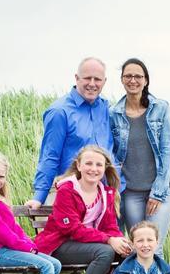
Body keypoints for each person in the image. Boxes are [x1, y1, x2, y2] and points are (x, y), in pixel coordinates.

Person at [34, 145, 132, 274]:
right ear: (79, 165)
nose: (93, 169)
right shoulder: (67, 190)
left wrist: (120, 240)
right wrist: (108, 240)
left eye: (98, 165)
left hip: (87, 246)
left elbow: (110, 226)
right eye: (88, 163)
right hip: (59, 245)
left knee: (124, 253)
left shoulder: (106, 193)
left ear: (105, 168)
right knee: (105, 252)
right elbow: (71, 228)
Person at [27, 57, 114, 209]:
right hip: (67, 194)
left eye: (97, 79)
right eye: (87, 78)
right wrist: (39, 196)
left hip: (100, 194)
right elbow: (50, 156)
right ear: (76, 78)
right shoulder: (60, 111)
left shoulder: (106, 109)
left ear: (104, 81)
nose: (92, 84)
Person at [109, 57, 170, 253]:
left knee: (153, 247)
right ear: (122, 79)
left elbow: (166, 151)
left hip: (161, 189)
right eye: (128, 76)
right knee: (138, 246)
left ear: (146, 80)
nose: (133, 80)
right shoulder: (114, 114)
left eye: (138, 76)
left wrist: (158, 192)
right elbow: (112, 154)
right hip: (131, 192)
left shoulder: (160, 109)